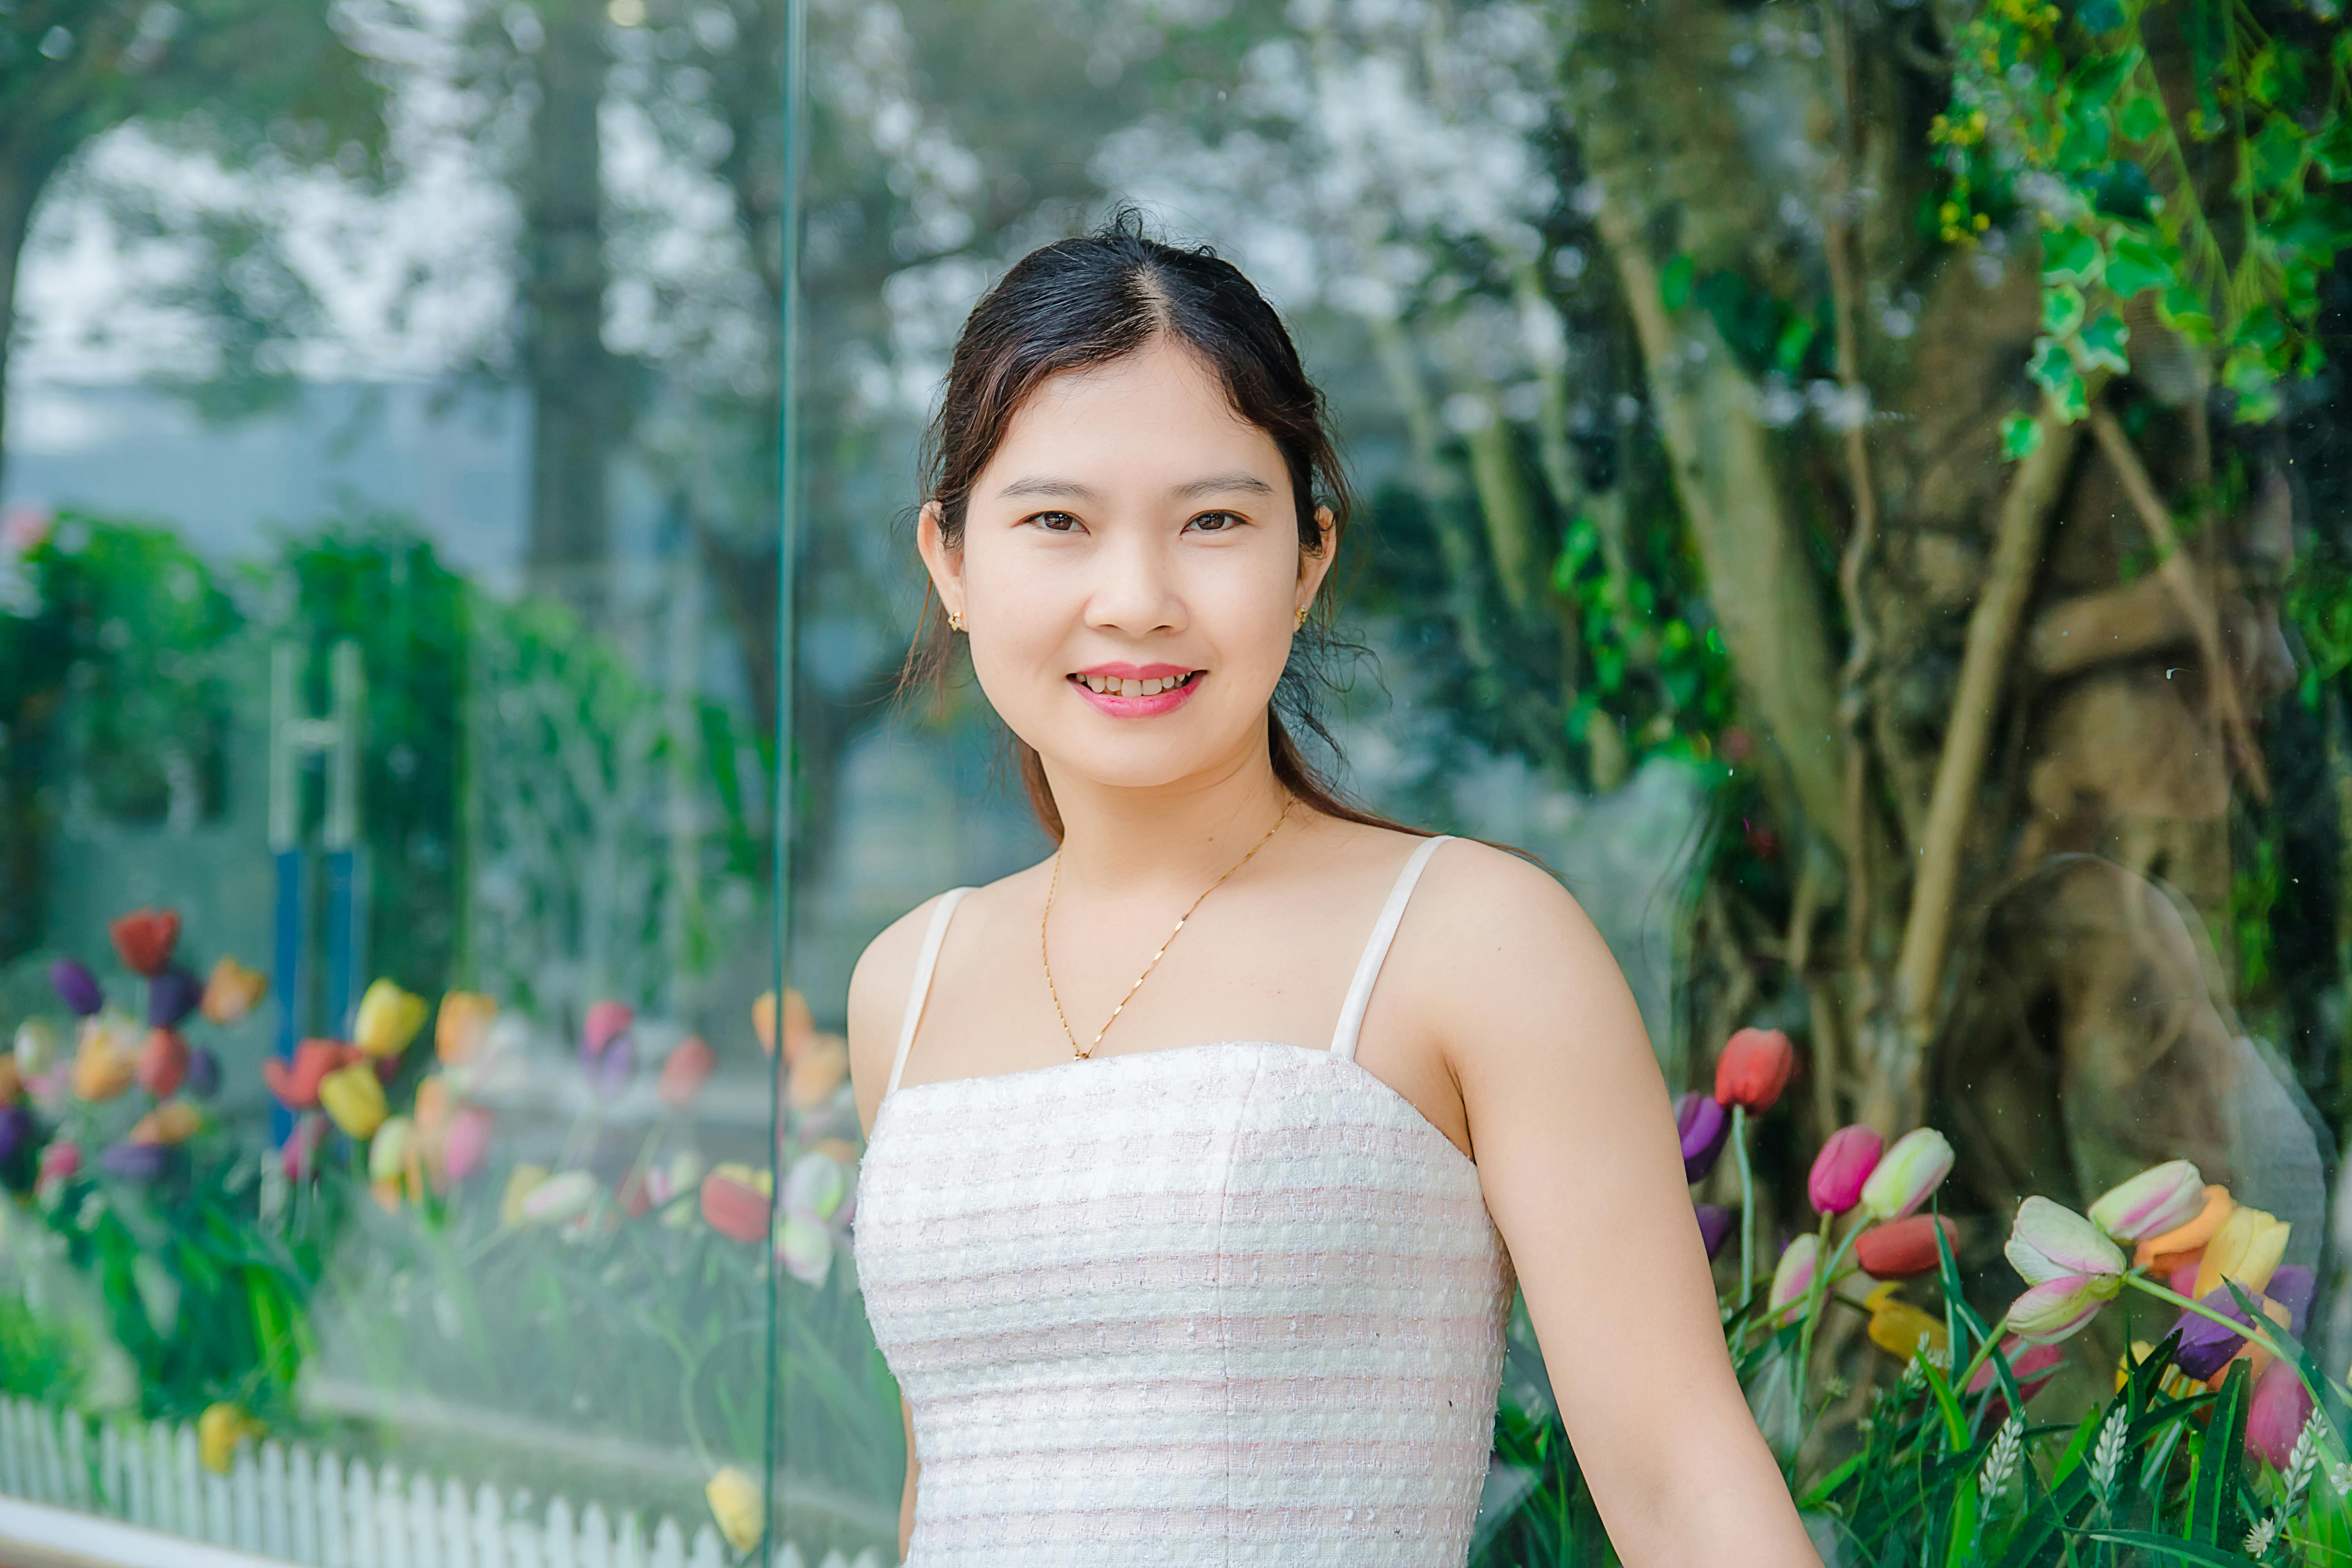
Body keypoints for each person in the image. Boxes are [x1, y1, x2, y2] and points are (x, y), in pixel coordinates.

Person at [846, 214, 1820, 1568]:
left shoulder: (1471, 938)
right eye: (1057, 521)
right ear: (951, 561)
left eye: (1212, 523)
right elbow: (941, 1494)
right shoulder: (911, 980)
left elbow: (1677, 1483)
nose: (1135, 599)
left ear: (1309, 559)